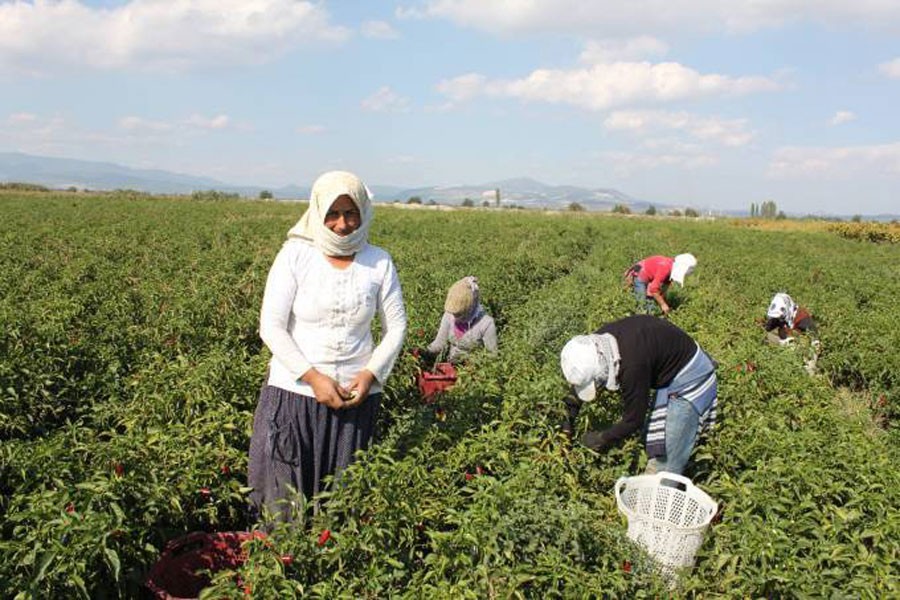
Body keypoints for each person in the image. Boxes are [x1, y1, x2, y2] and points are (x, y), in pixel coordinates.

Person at [248, 171, 407, 519]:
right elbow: (271, 326)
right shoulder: (295, 256)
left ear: (363, 214)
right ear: (318, 213)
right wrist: (313, 377)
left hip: (355, 399)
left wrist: (370, 374)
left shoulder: (378, 262)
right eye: (332, 214)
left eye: (351, 213)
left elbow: (396, 327)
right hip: (294, 396)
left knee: (341, 505)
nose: (342, 224)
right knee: (284, 505)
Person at [559, 314, 717, 476]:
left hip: (691, 378)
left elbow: (634, 420)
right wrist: (567, 425)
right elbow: (577, 388)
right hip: (670, 363)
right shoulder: (598, 344)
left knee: (663, 466)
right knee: (652, 437)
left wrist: (601, 439)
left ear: (604, 368)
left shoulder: (632, 367)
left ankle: (659, 493)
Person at [420, 276, 498, 365]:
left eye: (459, 314)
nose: (455, 317)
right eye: (454, 314)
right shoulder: (449, 315)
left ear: (470, 308)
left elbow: (492, 356)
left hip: (473, 371)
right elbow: (439, 343)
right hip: (450, 366)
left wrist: (472, 361)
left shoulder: (486, 323)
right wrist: (424, 352)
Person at [624, 253, 697, 315]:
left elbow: (664, 286)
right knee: (641, 302)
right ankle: (639, 316)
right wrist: (663, 304)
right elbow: (654, 289)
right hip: (641, 273)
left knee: (651, 302)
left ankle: (650, 314)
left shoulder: (671, 269)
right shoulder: (665, 268)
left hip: (650, 274)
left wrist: (661, 298)